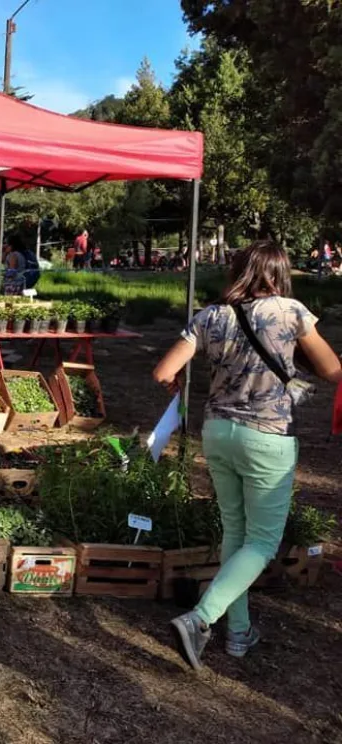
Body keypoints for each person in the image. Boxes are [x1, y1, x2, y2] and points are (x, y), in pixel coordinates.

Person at [152, 240, 342, 671]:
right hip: (268, 436)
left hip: (218, 433)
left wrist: (172, 386)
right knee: (262, 540)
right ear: (277, 274)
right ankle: (201, 619)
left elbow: (163, 371)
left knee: (236, 534)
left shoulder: (210, 315)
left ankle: (238, 633)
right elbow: (333, 371)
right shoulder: (291, 312)